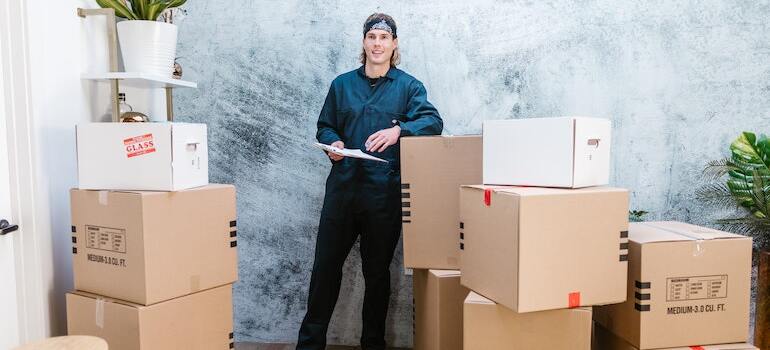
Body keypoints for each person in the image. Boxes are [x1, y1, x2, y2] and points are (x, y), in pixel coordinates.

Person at [296, 12, 443, 350]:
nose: (377, 44)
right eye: (372, 37)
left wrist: (398, 131)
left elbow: (432, 121)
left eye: (384, 38)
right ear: (364, 42)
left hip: (383, 195)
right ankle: (309, 344)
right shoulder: (342, 85)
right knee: (324, 272)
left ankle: (372, 343)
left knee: (377, 276)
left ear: (394, 44)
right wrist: (331, 143)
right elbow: (325, 125)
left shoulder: (409, 87)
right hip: (342, 193)